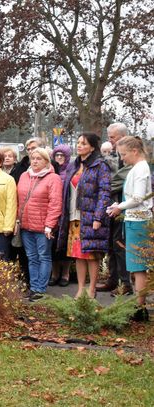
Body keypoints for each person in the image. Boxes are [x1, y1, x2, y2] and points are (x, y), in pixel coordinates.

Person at [57, 133, 111, 299]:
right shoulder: (73, 165)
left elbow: (105, 192)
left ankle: (92, 290)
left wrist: (98, 217)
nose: (79, 146)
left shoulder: (100, 165)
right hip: (73, 216)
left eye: (84, 143)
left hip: (90, 217)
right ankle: (80, 289)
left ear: (92, 147)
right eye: (78, 143)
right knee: (78, 255)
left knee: (91, 255)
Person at [107, 136, 152, 321]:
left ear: (135, 151)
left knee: (138, 266)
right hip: (134, 219)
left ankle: (140, 307)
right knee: (136, 266)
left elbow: (139, 197)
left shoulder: (141, 169)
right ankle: (139, 304)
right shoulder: (137, 168)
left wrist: (119, 207)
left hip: (139, 222)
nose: (122, 158)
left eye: (124, 154)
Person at [15, 148, 62, 301]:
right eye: (32, 158)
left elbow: (55, 203)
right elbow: (19, 201)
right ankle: (33, 287)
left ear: (46, 161)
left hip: (43, 227)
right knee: (31, 257)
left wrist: (49, 225)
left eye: (39, 159)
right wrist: (17, 220)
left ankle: (40, 289)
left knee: (44, 256)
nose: (34, 161)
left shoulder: (53, 178)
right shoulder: (24, 176)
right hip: (26, 225)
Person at [97, 123, 133, 295]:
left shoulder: (129, 157)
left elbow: (118, 181)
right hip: (111, 207)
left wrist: (103, 188)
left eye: (113, 137)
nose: (110, 140)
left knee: (119, 245)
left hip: (123, 208)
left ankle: (125, 284)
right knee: (111, 245)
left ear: (123, 136)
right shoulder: (113, 155)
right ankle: (112, 280)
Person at [49, 144, 73, 286]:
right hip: (53, 213)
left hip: (67, 213)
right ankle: (54, 273)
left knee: (66, 245)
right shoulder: (51, 170)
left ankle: (65, 274)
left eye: (62, 155)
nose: (59, 158)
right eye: (57, 155)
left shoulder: (70, 171)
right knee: (52, 245)